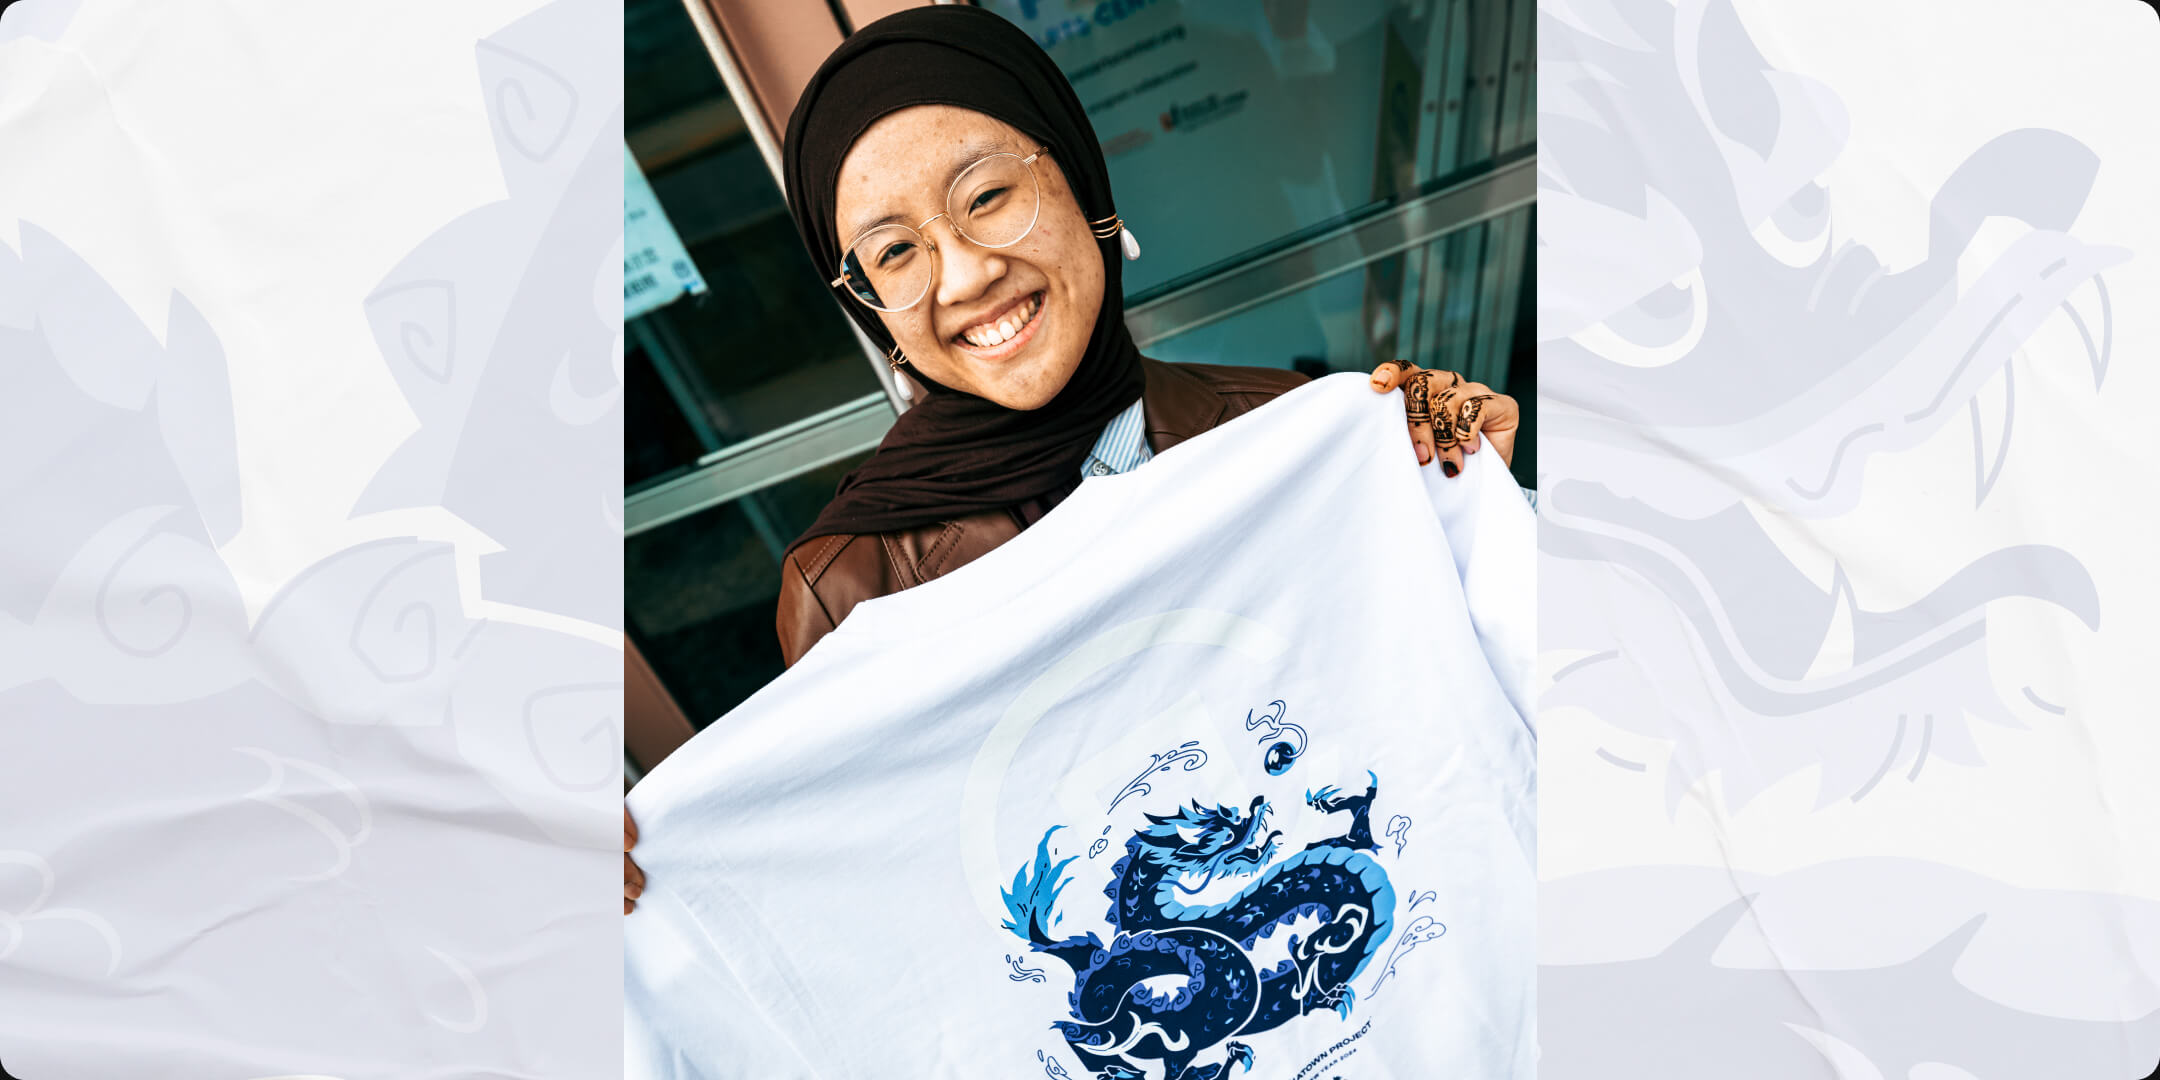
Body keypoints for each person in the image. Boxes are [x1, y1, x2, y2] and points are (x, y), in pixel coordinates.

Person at [625, 4, 1520, 914]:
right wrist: (654, 888)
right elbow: (886, 903)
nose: (967, 276)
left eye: (987, 197)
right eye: (895, 252)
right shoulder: (851, 589)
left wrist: (1463, 497)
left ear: (1084, 183)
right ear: (870, 309)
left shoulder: (1293, 434)